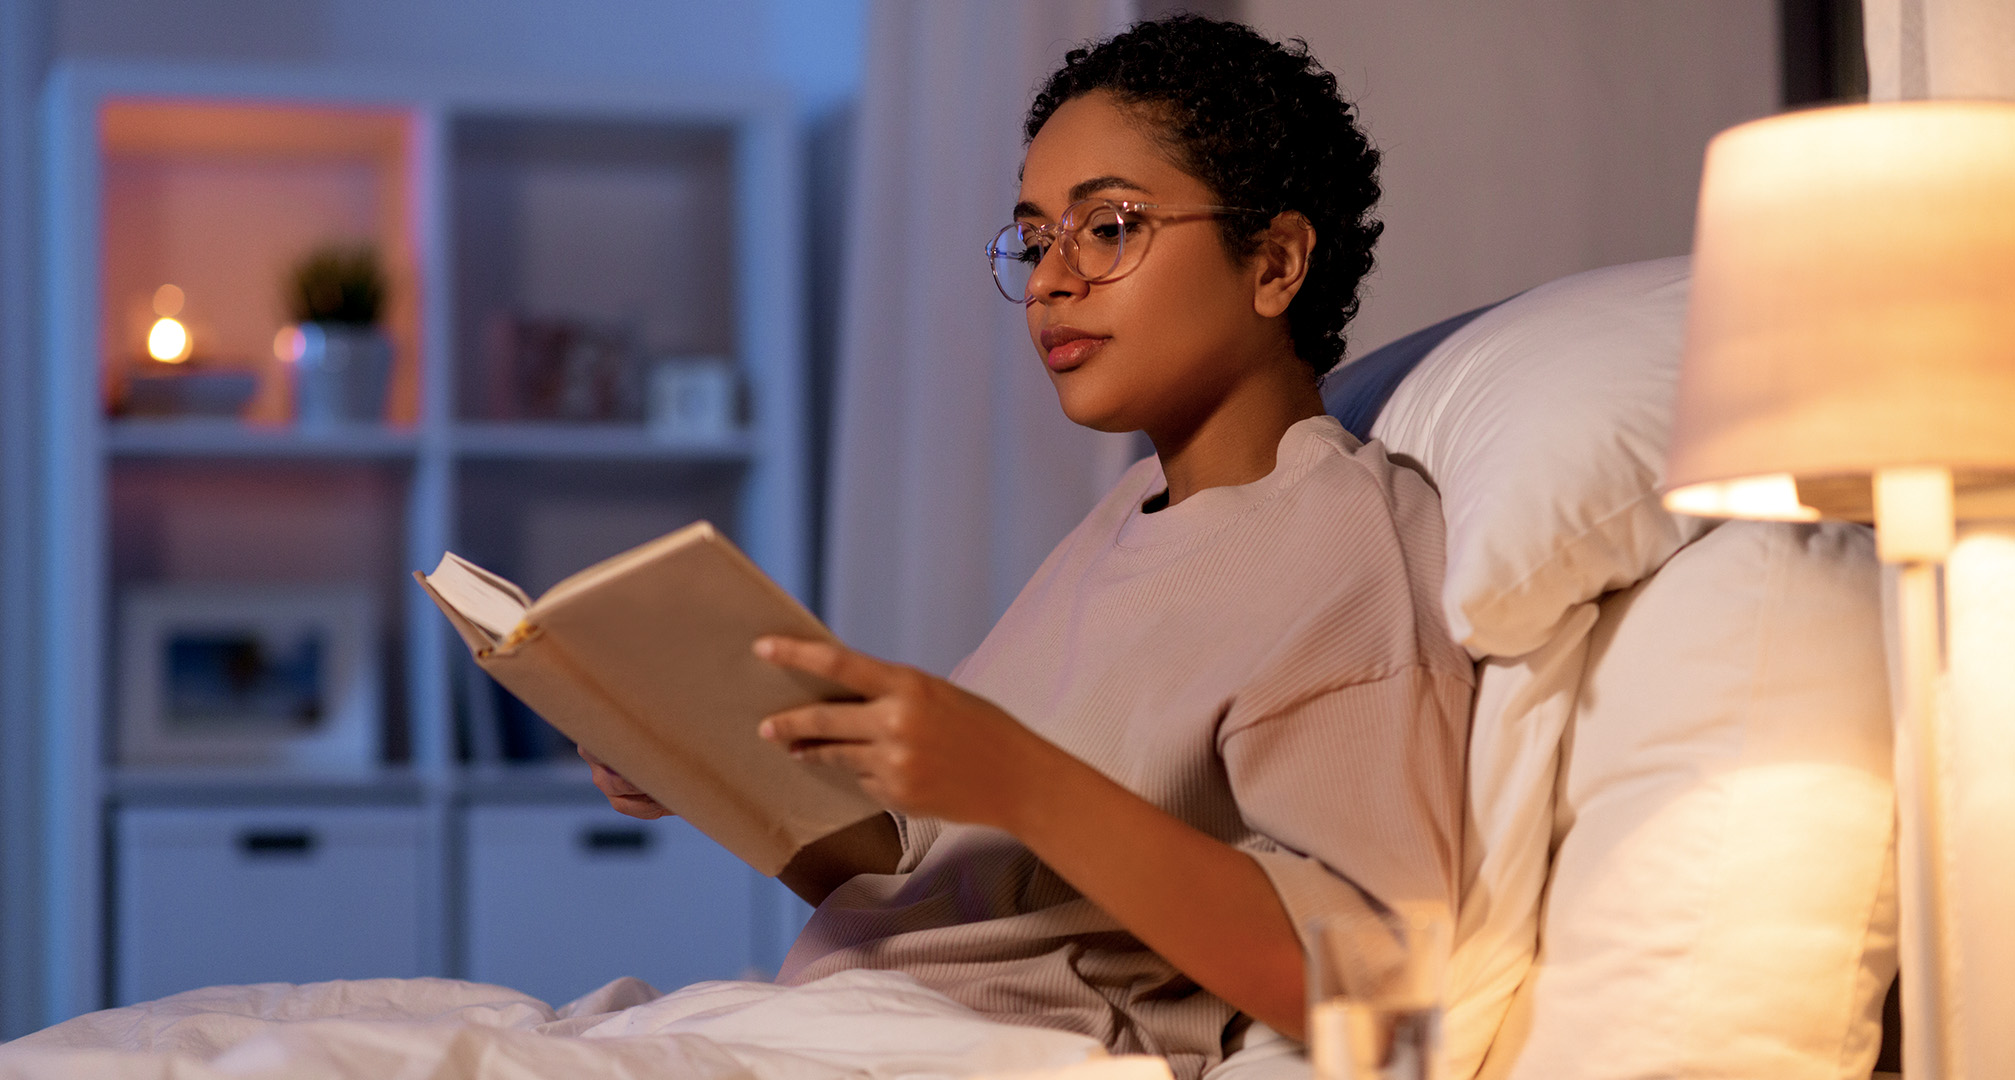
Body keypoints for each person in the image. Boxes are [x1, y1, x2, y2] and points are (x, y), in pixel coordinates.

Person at [584, 16, 1472, 1080]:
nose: (1050, 280)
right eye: (1033, 237)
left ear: (1274, 262)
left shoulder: (1342, 543)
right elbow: (936, 889)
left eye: (1106, 228)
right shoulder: (1129, 514)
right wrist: (708, 766)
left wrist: (1019, 780)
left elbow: (1378, 985)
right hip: (845, 1017)